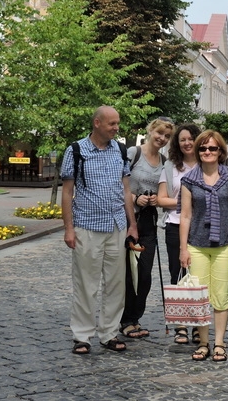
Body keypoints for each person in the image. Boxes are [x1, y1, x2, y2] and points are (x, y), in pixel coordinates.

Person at [60, 106, 138, 355]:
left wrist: (132, 224)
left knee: (116, 284)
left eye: (117, 123)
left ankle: (109, 333)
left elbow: (126, 189)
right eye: (112, 124)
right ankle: (82, 336)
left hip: (117, 226)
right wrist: (69, 229)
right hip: (87, 226)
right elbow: (67, 192)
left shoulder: (120, 150)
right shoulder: (76, 151)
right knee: (86, 284)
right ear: (97, 123)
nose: (116, 128)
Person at [179, 130, 228, 362]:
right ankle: (203, 342)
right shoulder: (189, 180)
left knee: (221, 296)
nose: (207, 152)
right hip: (197, 245)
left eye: (212, 148)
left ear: (220, 151)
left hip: (224, 244)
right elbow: (185, 215)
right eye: (203, 148)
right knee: (199, 297)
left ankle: (219, 342)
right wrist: (183, 249)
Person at [120, 117, 174, 339]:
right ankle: (124, 320)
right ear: (150, 130)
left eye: (167, 136)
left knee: (144, 275)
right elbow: (119, 184)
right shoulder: (134, 154)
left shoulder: (164, 161)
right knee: (126, 273)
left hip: (148, 221)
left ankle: (135, 317)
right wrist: (135, 197)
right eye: (159, 133)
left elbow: (166, 192)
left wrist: (155, 201)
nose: (162, 138)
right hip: (126, 217)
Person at [157, 122, 201, 344]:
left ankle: (196, 323)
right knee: (178, 275)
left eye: (191, 138)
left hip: (200, 227)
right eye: (182, 139)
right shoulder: (170, 167)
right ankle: (180, 325)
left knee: (198, 276)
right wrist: (185, 203)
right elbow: (161, 198)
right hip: (175, 226)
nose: (187, 143)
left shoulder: (206, 164)